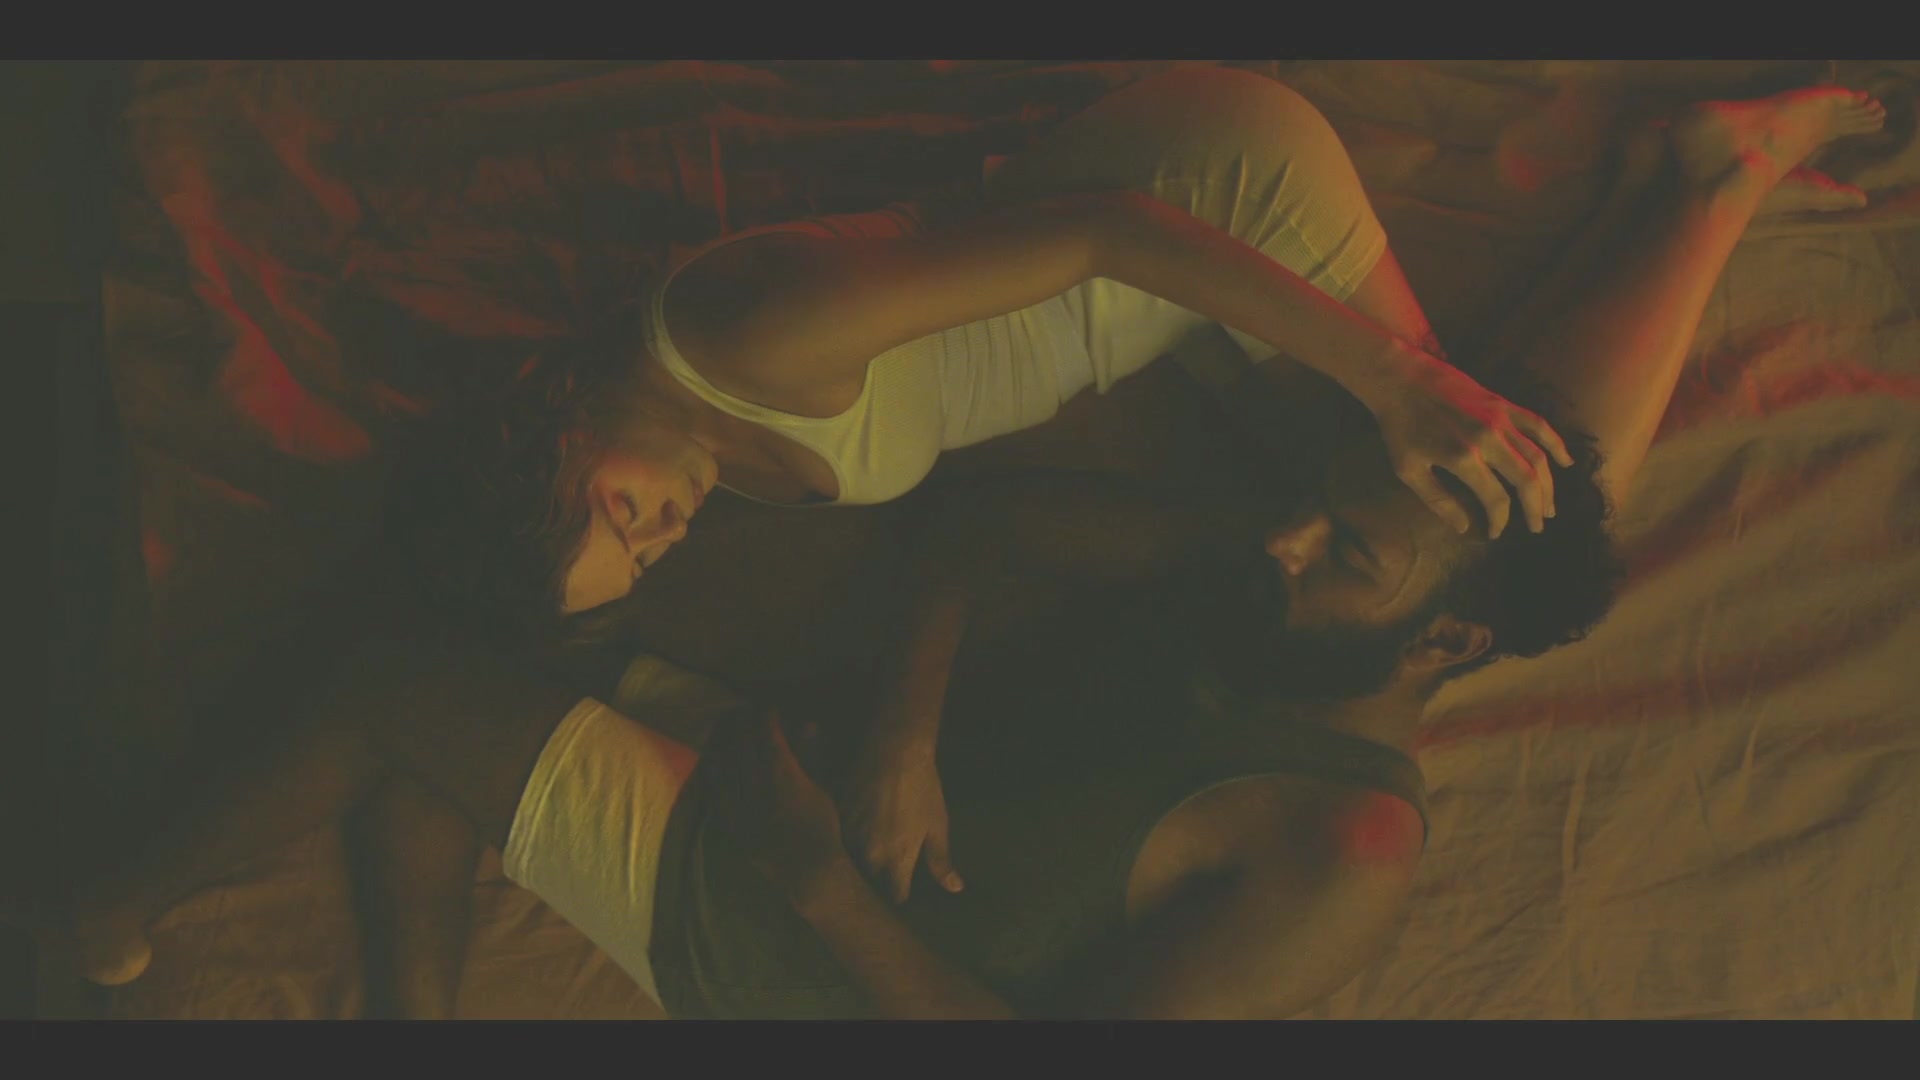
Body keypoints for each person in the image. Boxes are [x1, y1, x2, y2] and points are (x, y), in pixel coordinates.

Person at [53, 85, 1885, 1018]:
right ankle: (1708, 183)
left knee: (1498, 465)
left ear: (1446, 652)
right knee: (1505, 473)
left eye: (1348, 555)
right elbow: (993, 515)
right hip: (1146, 249)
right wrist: (904, 729)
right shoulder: (1254, 582)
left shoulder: (1343, 851)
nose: (1287, 530)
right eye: (1326, 527)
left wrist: (823, 887)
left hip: (780, 927)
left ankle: (1707, 183)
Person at [413, 65, 1574, 641]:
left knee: (1475, 497)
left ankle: (1681, 191)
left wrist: (1396, 377)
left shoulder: (751, 339)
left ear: (557, 431)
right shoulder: (687, 436)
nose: (670, 531)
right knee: (1378, 515)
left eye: (624, 518)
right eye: (647, 560)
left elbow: (1109, 231)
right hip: (1155, 308)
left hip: (1208, 198)